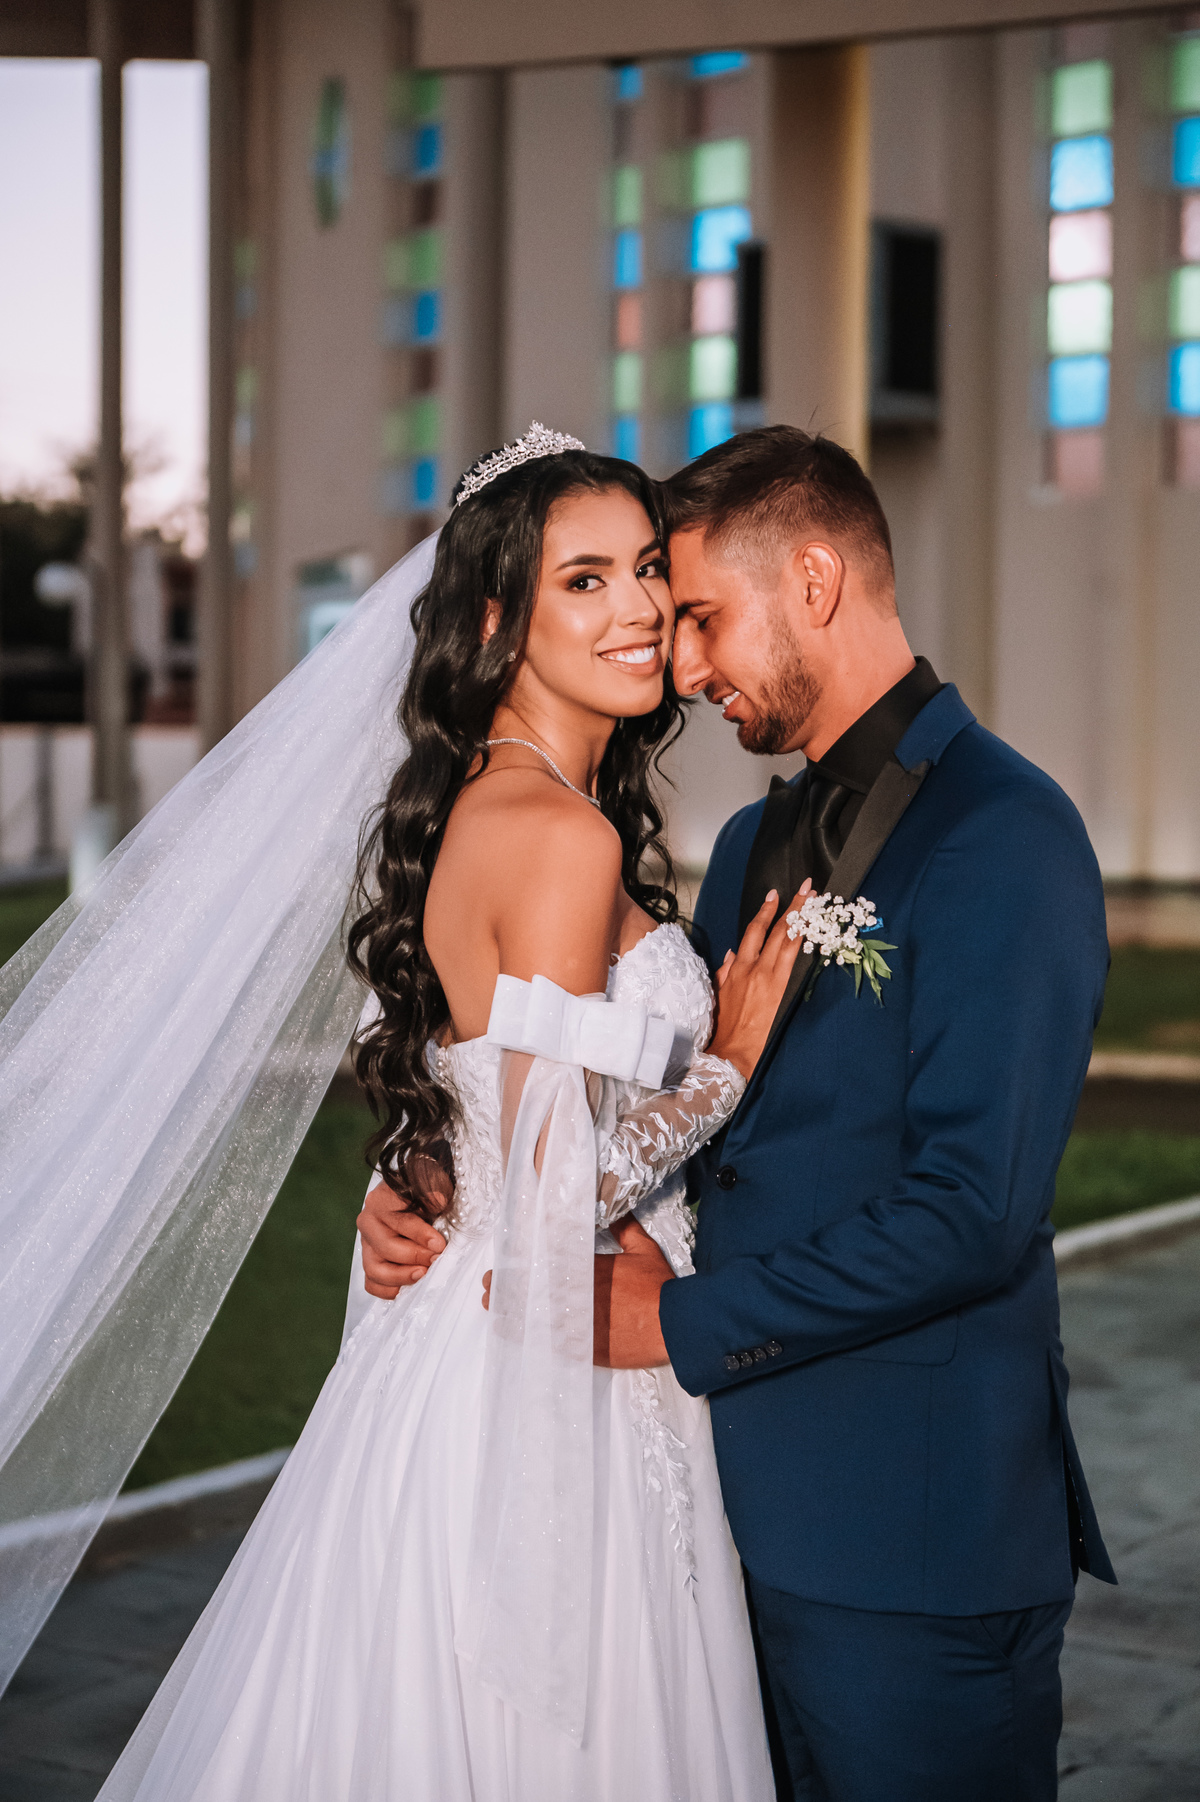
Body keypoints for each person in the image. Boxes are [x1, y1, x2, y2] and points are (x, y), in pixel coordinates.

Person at [363, 426, 1116, 1802]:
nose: (681, 658)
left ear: (813, 580)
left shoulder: (1008, 833)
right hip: (720, 1518)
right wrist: (442, 1174)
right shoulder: (751, 847)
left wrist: (678, 1322)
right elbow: (640, 1109)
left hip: (911, 1536)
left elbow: (974, 1210)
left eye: (698, 611)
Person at [93, 432, 808, 1800]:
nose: (640, 607)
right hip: (548, 1364)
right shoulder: (564, 837)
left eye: (647, 569)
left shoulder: (488, 805)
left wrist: (426, 1167)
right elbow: (551, 1184)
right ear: (494, 622)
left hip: (469, 1338)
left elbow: (480, 1108)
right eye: (584, 580)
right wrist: (723, 1063)